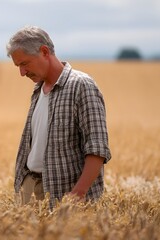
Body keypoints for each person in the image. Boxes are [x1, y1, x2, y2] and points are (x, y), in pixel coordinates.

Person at [6, 26, 111, 208]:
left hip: (63, 195)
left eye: (25, 63)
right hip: (31, 190)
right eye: (18, 66)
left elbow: (97, 148)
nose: (22, 73)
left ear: (44, 52)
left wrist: (77, 195)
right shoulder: (38, 89)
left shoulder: (82, 86)